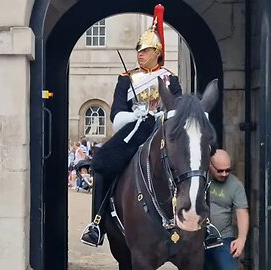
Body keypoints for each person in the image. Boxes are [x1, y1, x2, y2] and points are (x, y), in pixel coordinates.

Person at [80, 4, 183, 247]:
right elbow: (117, 112)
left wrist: (161, 115)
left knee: (194, 163)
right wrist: (135, 115)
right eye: (139, 50)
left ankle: (205, 224)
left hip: (163, 130)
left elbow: (178, 107)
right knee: (102, 162)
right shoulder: (126, 79)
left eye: (145, 50)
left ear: (157, 52)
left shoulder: (170, 78)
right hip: (134, 131)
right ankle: (97, 222)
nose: (140, 54)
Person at [204, 149, 249, 270]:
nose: (224, 174)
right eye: (220, 170)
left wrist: (241, 238)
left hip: (223, 238)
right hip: (198, 239)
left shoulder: (235, 185)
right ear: (210, 164)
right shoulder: (200, 178)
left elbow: (242, 212)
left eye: (228, 170)